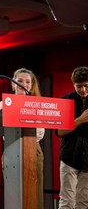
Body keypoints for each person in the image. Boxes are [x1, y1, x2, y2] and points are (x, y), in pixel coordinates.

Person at [0, 68, 45, 209]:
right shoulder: (4, 103)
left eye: (27, 81)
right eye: (19, 81)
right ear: (13, 84)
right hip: (12, 149)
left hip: (32, 149)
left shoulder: (37, 104)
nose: (23, 83)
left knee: (35, 194)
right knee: (13, 194)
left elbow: (40, 133)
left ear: (31, 85)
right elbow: (4, 131)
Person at [56, 66, 88, 209]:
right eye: (79, 86)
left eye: (86, 86)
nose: (83, 90)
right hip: (69, 158)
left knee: (83, 202)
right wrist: (79, 120)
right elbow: (59, 131)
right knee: (67, 202)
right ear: (73, 84)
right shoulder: (65, 101)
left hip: (87, 160)